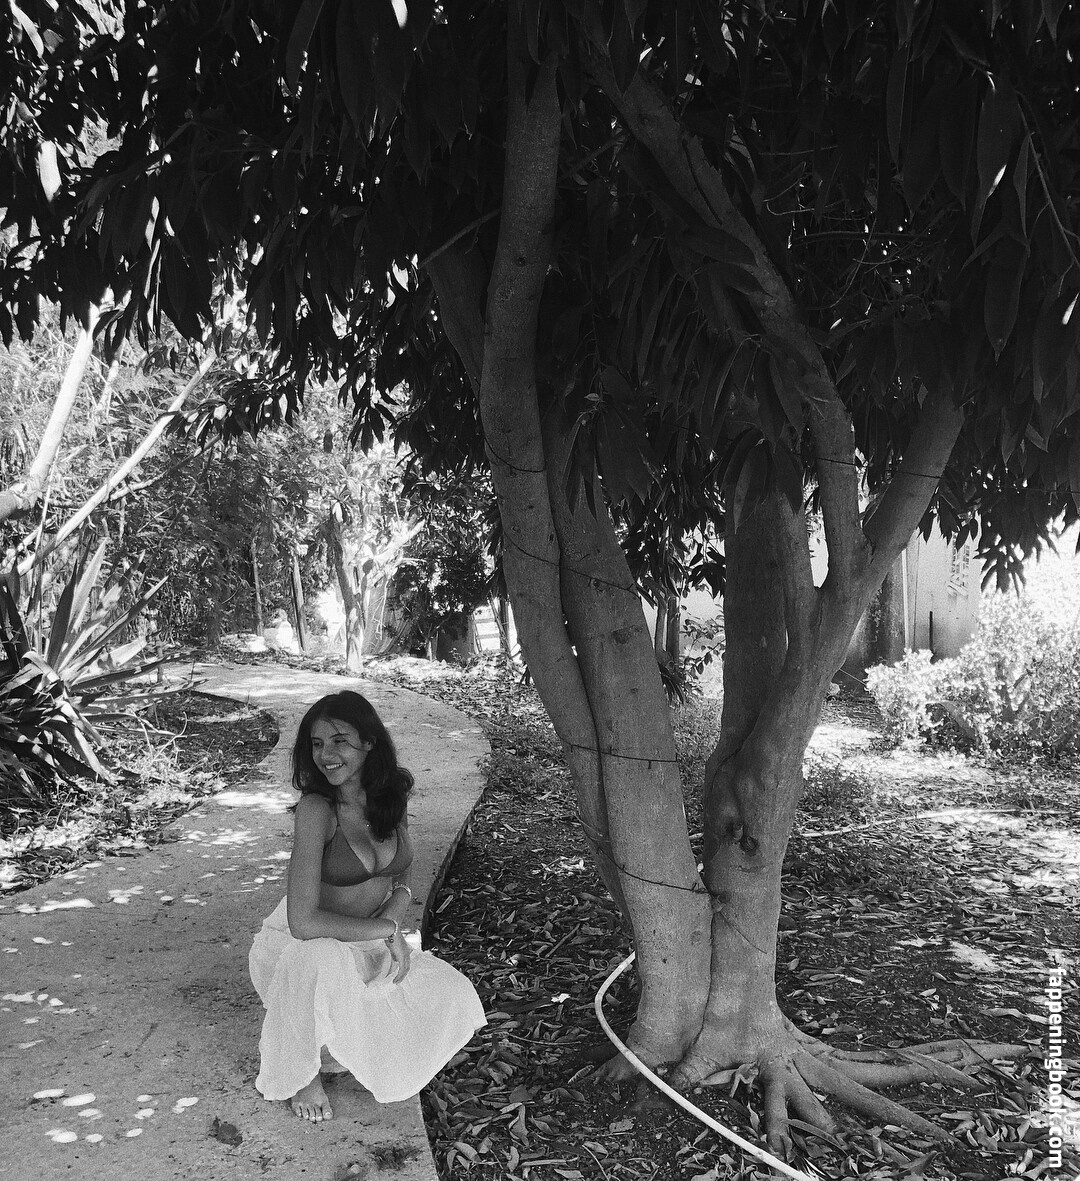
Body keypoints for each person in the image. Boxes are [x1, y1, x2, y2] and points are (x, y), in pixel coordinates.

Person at [249, 690, 486, 1122]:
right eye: (317, 744)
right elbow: (303, 923)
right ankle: (303, 1075)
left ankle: (336, 1039)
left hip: (365, 938)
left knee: (453, 995)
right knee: (318, 958)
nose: (326, 755)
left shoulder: (391, 794)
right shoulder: (317, 810)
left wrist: (393, 915)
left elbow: (403, 872)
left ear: (369, 742)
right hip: (302, 950)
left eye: (339, 740)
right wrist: (388, 931)